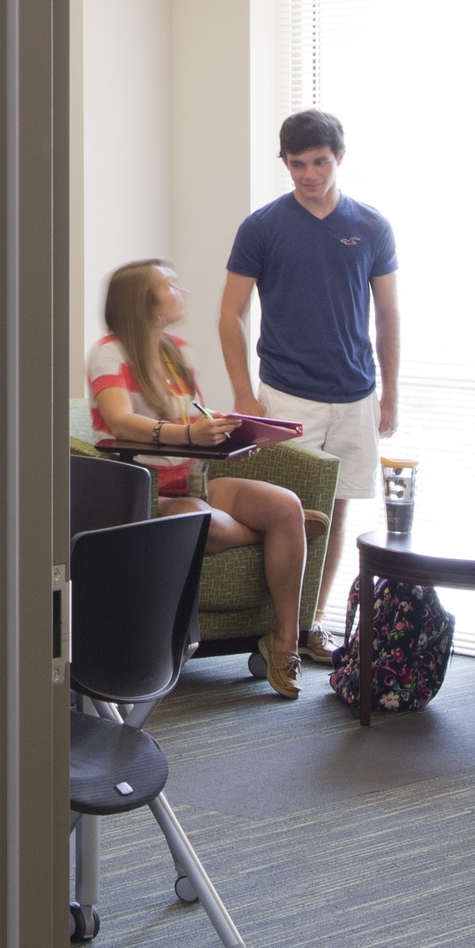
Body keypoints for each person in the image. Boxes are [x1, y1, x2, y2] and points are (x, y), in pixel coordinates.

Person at [88, 258, 323, 698]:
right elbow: (120, 422)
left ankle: (284, 645)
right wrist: (188, 433)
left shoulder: (176, 351)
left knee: (285, 505)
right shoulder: (110, 352)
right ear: (144, 300)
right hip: (143, 489)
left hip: (193, 480)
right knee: (203, 520)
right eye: (170, 285)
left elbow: (194, 418)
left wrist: (234, 432)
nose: (182, 292)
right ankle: (280, 535)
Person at [217, 109, 398, 666]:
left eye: (319, 162)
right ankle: (279, 633)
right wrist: (244, 395)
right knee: (289, 509)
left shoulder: (370, 226)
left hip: (356, 392)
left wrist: (391, 393)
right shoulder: (262, 227)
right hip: (287, 393)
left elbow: (388, 315)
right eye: (297, 164)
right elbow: (231, 314)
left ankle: (309, 625)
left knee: (338, 511)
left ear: (338, 158)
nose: (309, 174)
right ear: (286, 164)